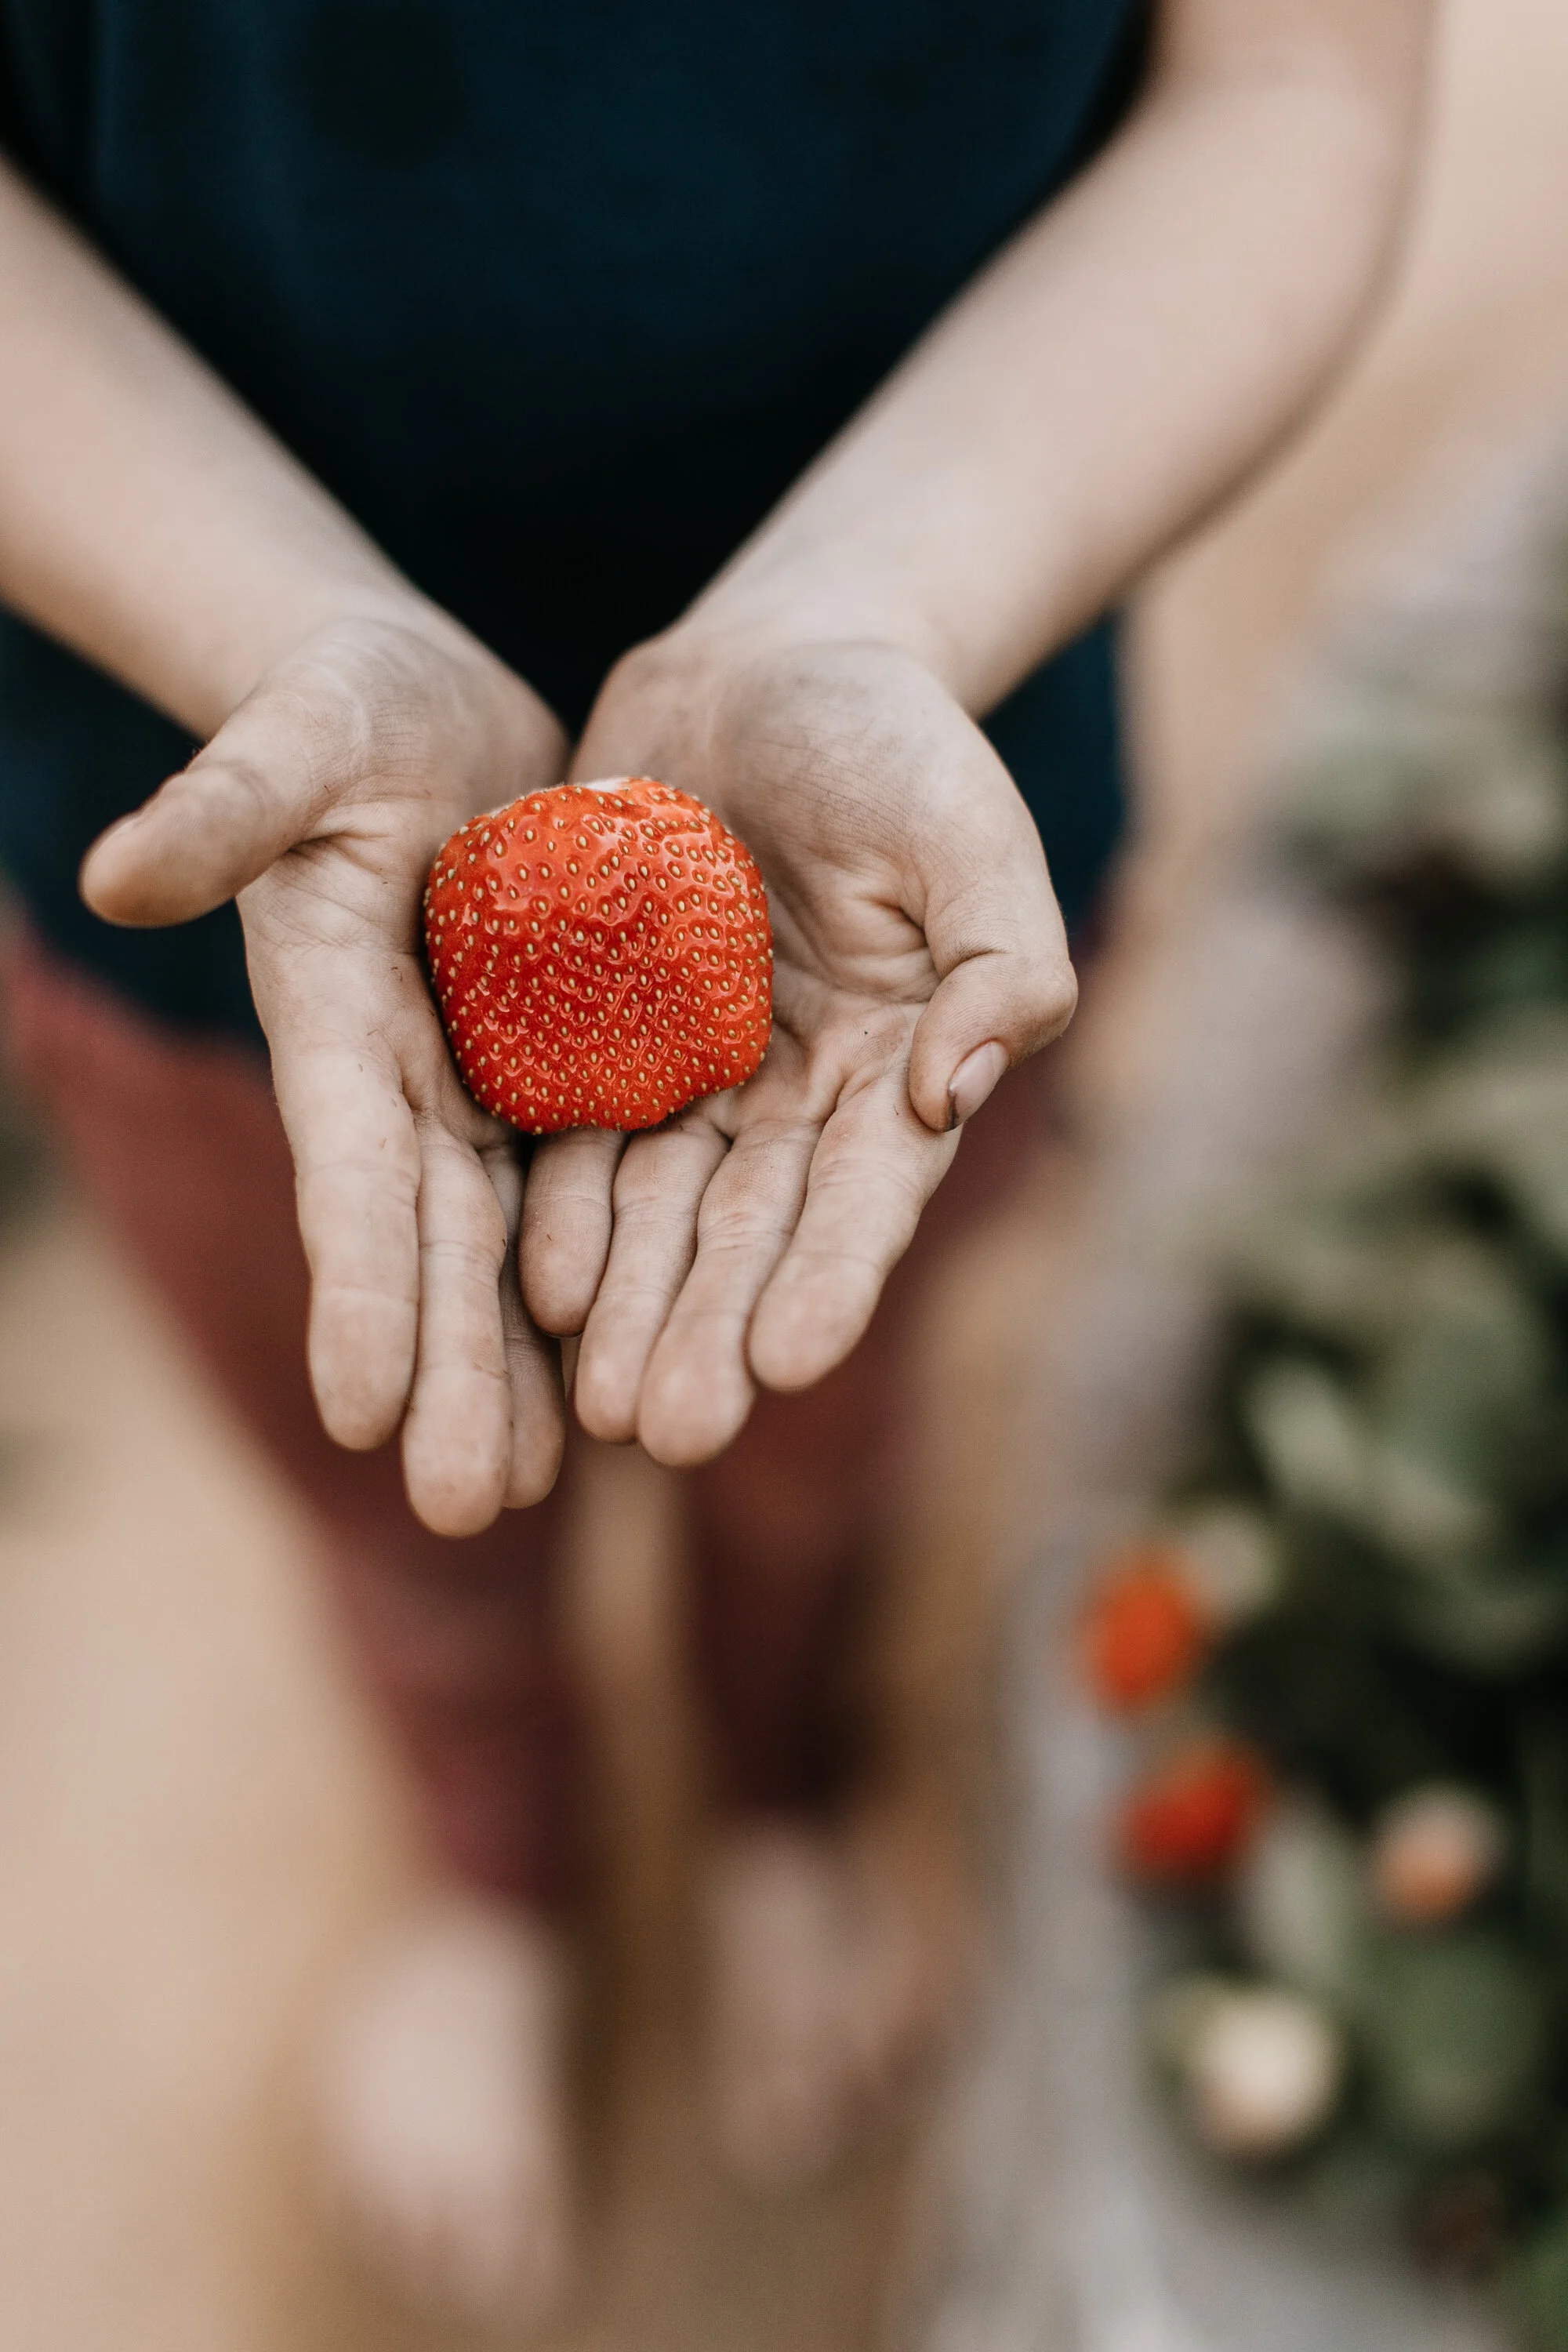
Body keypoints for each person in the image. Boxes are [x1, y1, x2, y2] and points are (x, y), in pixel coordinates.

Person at [0, 0, 1431, 2323]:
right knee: (386, 1481)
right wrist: (282, 627)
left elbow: (1297, 85)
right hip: (203, 807)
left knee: (818, 1441)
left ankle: (787, 1780)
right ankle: (492, 1870)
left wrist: (882, 607)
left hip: (905, 803)